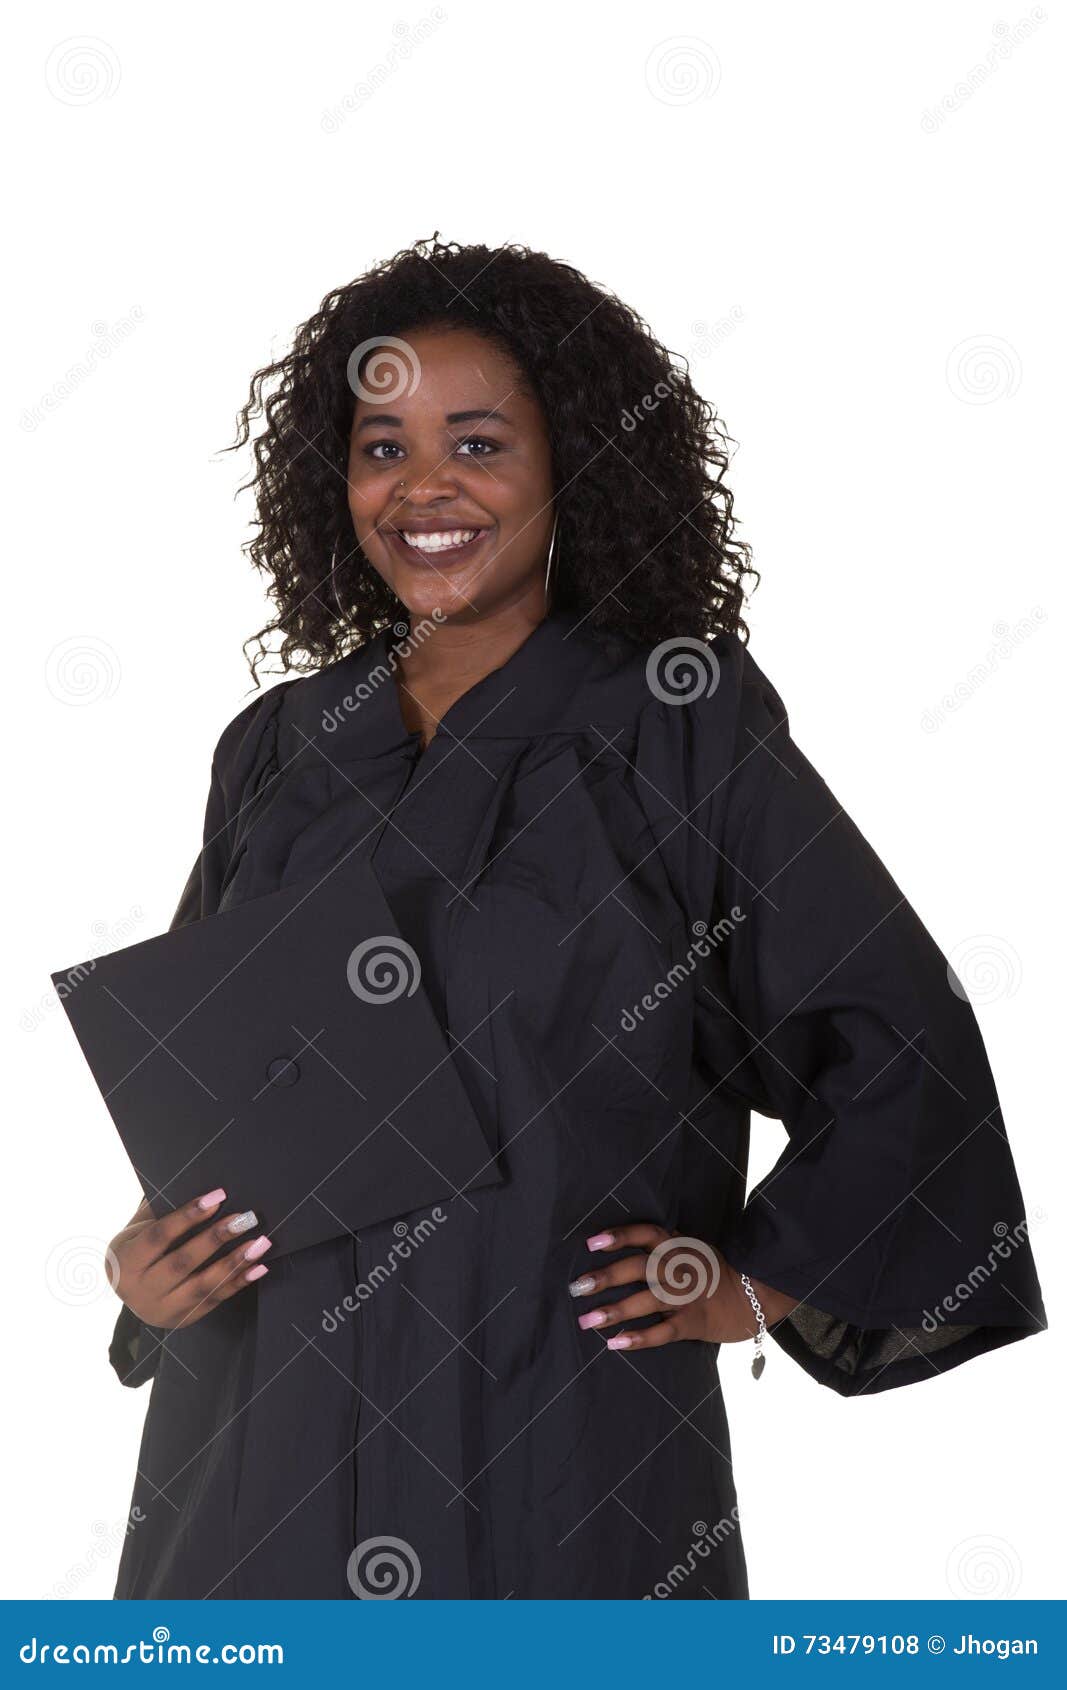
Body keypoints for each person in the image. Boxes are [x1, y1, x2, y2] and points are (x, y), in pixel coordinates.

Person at [102, 238, 1044, 1600]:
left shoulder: (674, 725)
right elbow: (219, 1092)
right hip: (263, 1452)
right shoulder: (279, 751)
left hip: (553, 1432)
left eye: (478, 444)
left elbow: (895, 1034)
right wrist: (147, 1271)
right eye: (382, 449)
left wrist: (760, 1282)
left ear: (573, 466)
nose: (424, 486)